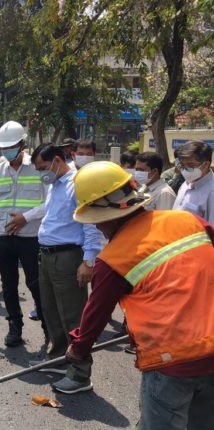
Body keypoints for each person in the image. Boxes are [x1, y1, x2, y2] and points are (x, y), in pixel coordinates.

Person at [66, 160, 214, 429]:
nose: (97, 228)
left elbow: (96, 314)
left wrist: (78, 349)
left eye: (96, 220)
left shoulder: (113, 259)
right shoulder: (188, 220)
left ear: (108, 215)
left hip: (172, 359)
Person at [29, 143, 103, 394]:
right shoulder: (56, 184)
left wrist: (88, 261)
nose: (41, 173)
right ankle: (59, 358)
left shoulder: (78, 184)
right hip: (48, 256)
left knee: (73, 316)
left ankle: (81, 374)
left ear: (57, 161)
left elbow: (91, 225)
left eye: (43, 167)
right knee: (50, 310)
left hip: (68, 257)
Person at [0, 121, 46, 347]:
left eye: (12, 147)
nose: (7, 151)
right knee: (8, 284)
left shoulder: (38, 168)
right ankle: (15, 326)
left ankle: (48, 327)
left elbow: (50, 203)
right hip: (4, 237)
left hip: (31, 237)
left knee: (36, 283)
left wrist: (25, 218)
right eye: (4, 148)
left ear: (22, 144)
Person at [172, 140, 214, 224]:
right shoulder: (186, 183)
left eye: (191, 165)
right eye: (183, 165)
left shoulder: (211, 192)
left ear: (206, 165)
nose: (185, 170)